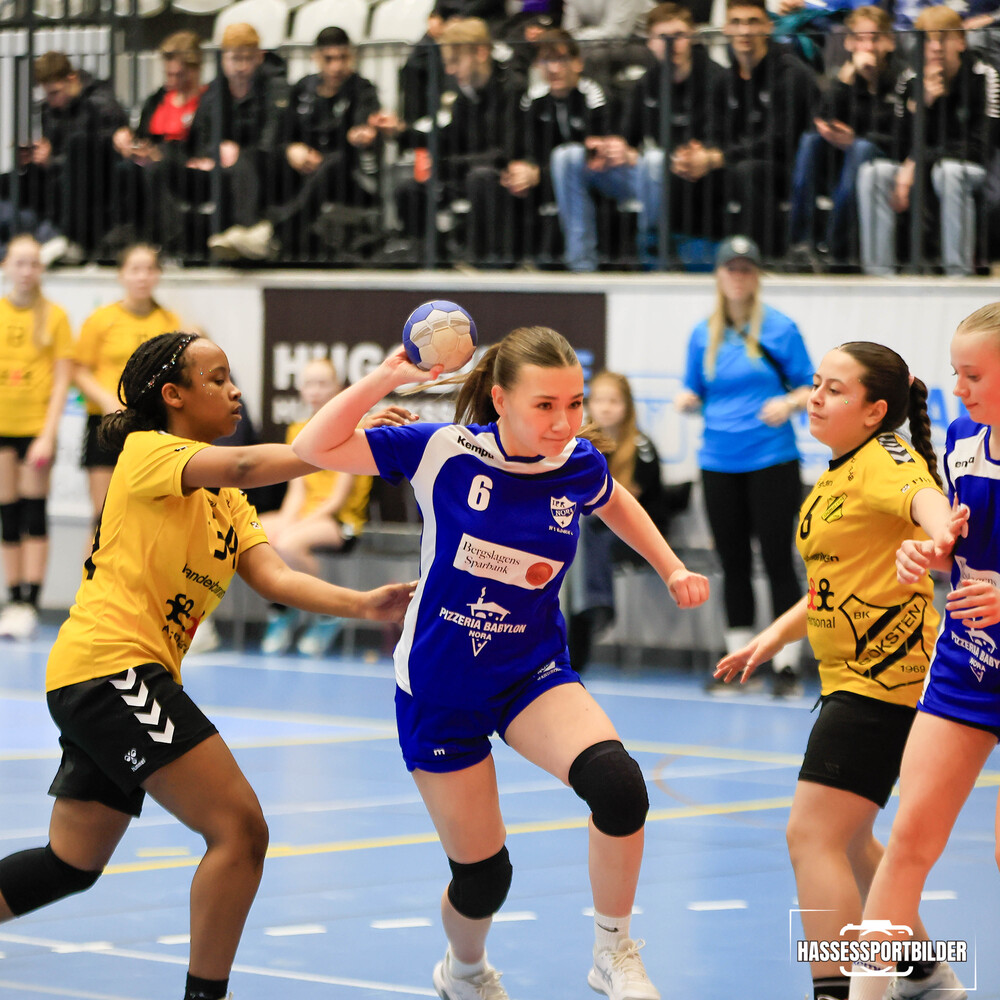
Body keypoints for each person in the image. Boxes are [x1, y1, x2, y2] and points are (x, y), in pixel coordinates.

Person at [291, 326, 710, 1000]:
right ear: (500, 399)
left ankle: (613, 952)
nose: (564, 422)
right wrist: (387, 377)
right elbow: (311, 447)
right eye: (545, 405)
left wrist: (671, 566)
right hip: (439, 688)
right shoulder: (441, 450)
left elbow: (614, 500)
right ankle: (464, 972)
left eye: (574, 403)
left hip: (528, 672)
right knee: (485, 878)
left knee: (619, 788)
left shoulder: (576, 462)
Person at [0, 331, 414, 1000]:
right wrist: (357, 415)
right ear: (174, 395)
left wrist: (363, 604)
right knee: (240, 831)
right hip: (112, 669)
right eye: (217, 379)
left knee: (70, 864)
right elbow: (249, 463)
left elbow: (275, 576)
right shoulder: (148, 451)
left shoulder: (225, 500)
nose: (234, 390)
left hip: (106, 678)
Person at [715, 342, 969, 1000]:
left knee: (811, 836)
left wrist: (940, 536)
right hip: (850, 680)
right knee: (852, 844)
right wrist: (770, 639)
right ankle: (924, 972)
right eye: (815, 384)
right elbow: (831, 585)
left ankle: (834, 989)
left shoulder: (885, 457)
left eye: (835, 389)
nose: (816, 398)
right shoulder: (838, 472)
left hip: (884, 682)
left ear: (874, 410)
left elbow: (926, 500)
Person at [845, 304, 1000, 1000]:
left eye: (974, 375)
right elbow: (965, 552)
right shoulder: (964, 438)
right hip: (967, 665)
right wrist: (928, 556)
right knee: (908, 842)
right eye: (955, 373)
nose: (958, 388)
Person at [676, 235, 812, 697]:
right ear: (719, 275)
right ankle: (738, 664)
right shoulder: (702, 333)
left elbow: (811, 387)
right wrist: (687, 399)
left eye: (746, 269)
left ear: (756, 276)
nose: (738, 276)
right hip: (718, 459)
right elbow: (694, 387)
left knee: (777, 560)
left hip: (772, 457)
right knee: (732, 561)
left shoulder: (781, 328)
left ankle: (787, 667)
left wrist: (789, 403)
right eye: (730, 268)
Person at [856, 5, 1000, 276]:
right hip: (922, 166)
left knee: (950, 172)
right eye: (926, 39)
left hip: (975, 169)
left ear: (960, 42)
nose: (934, 47)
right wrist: (922, 106)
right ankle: (879, 274)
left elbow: (980, 146)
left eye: (942, 38)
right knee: (873, 173)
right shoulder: (910, 80)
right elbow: (898, 145)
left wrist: (916, 161)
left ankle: (957, 274)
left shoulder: (984, 75)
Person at [670, 0, 818, 258]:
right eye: (736, 22)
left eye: (753, 22)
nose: (745, 31)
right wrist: (698, 153)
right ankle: (690, 258)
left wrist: (718, 157)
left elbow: (779, 140)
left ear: (769, 27)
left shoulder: (790, 73)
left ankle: (762, 258)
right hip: (738, 161)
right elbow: (714, 131)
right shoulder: (724, 80)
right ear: (726, 28)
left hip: (789, 167)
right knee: (684, 171)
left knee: (747, 172)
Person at [370, 18, 524, 265]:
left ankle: (484, 262)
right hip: (465, 174)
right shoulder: (464, 97)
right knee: (409, 191)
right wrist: (402, 132)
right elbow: (448, 138)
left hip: (500, 182)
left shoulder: (512, 89)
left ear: (480, 52)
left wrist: (446, 165)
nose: (450, 71)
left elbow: (503, 153)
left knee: (480, 178)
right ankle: (435, 260)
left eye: (455, 61)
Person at [568, 370, 687, 670]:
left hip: (640, 537)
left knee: (585, 536)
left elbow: (623, 501)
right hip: (592, 534)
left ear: (627, 407)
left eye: (614, 401)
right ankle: (582, 622)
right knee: (573, 541)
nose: (606, 408)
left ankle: (597, 605)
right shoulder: (579, 444)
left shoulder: (642, 447)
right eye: (599, 400)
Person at [259, 358, 373, 656]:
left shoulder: (353, 429)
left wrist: (295, 527)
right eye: (309, 383)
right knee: (252, 534)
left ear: (338, 388)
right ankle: (283, 610)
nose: (315, 390)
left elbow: (337, 499)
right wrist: (288, 520)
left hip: (340, 520)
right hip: (307, 515)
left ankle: (328, 612)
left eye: (323, 383)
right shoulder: (297, 430)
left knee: (289, 543)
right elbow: (296, 491)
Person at [152, 24, 288, 261]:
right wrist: (214, 153)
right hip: (218, 168)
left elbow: (272, 138)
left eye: (247, 58)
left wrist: (238, 152)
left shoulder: (275, 87)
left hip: (264, 167)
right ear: (223, 59)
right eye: (235, 58)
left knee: (246, 159)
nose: (241, 66)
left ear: (259, 57)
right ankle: (164, 239)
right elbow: (201, 138)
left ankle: (250, 231)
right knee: (162, 160)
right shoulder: (213, 93)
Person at [786, 6, 905, 271]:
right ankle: (800, 244)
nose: (868, 46)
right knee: (810, 141)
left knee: (861, 148)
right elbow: (820, 121)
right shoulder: (845, 77)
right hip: (843, 159)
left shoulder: (902, 78)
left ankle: (833, 247)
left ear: (889, 41)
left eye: (875, 38)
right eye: (860, 39)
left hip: (886, 157)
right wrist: (843, 81)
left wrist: (856, 138)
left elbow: (901, 134)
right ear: (849, 42)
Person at [73, 243, 183, 523]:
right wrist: (107, 399)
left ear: (158, 275)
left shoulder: (169, 321)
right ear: (121, 275)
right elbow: (79, 370)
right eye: (135, 269)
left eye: (149, 269)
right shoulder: (102, 319)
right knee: (104, 517)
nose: (142, 277)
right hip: (108, 424)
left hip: (150, 426)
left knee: (145, 517)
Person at [0, 234, 73, 639]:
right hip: (2, 429)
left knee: (33, 512)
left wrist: (47, 435)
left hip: (34, 429)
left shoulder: (54, 317)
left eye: (33, 263)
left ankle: (30, 601)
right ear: (6, 267)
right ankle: (12, 599)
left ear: (41, 269)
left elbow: (62, 381)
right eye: (19, 262)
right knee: (8, 514)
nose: (26, 270)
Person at [269, 27, 383, 262]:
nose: (336, 67)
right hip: (303, 174)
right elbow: (280, 137)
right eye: (329, 59)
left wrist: (362, 134)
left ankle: (278, 230)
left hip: (347, 178)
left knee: (333, 162)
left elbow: (366, 122)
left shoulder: (362, 88)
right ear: (316, 58)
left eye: (343, 58)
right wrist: (291, 149)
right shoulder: (302, 89)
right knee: (261, 158)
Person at [503, 28, 612, 268]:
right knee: (506, 180)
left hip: (587, 177)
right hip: (543, 180)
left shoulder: (592, 95)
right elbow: (522, 147)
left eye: (561, 59)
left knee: (568, 160)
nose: (553, 68)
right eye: (546, 60)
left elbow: (594, 153)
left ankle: (581, 262)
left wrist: (539, 173)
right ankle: (508, 261)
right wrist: (521, 169)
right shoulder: (533, 100)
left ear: (578, 63)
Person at [19, 51, 129, 264]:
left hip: (96, 178)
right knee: (10, 180)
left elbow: (100, 150)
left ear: (71, 79)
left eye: (55, 93)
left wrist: (54, 160)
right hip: (60, 173)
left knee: (78, 148)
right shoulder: (50, 111)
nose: (51, 100)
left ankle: (68, 240)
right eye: (47, 94)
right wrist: (37, 156)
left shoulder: (100, 103)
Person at [109, 31, 207, 248]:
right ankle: (127, 232)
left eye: (179, 75)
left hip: (187, 168)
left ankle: (169, 240)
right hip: (152, 164)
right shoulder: (157, 99)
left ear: (195, 70)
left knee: (158, 167)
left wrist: (160, 153)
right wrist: (132, 143)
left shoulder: (207, 100)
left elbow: (201, 147)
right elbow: (142, 136)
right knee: (124, 169)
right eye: (168, 74)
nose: (172, 80)